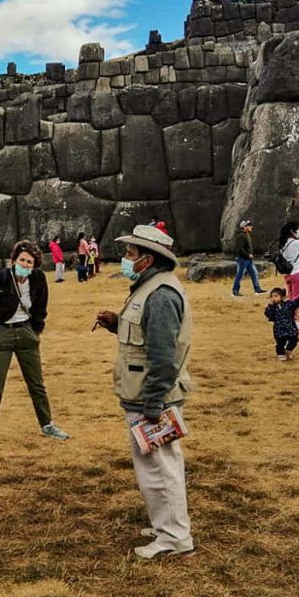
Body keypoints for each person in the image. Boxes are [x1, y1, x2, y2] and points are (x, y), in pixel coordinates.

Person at [94, 224, 194, 559]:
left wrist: (153, 402)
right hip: (146, 396)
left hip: (152, 400)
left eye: (130, 254)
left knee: (159, 469)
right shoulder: (150, 287)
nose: (125, 259)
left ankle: (175, 537)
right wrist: (117, 323)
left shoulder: (161, 295)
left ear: (147, 260)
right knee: (156, 467)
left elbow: (163, 356)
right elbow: (145, 336)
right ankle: (165, 525)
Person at [0, 240, 69, 450]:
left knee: (36, 383)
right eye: (22, 260)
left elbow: (41, 306)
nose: (25, 264)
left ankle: (47, 424)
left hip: (26, 331)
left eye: (30, 261)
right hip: (2, 333)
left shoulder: (38, 279)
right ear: (14, 260)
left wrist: (36, 329)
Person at [264, 287, 299, 360]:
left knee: (294, 339)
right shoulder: (272, 308)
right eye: (272, 297)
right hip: (279, 330)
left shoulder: (289, 304)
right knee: (280, 344)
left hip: (290, 328)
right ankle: (280, 354)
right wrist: (271, 307)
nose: (273, 298)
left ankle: (288, 350)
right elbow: (269, 315)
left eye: (276, 296)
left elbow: (296, 303)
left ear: (282, 297)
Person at [232, 219, 265, 297]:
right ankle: (235, 291)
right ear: (244, 227)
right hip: (243, 259)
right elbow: (240, 248)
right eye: (249, 225)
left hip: (248, 259)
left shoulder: (246, 235)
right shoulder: (241, 236)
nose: (251, 227)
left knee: (254, 273)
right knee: (239, 275)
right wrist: (248, 255)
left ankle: (257, 289)